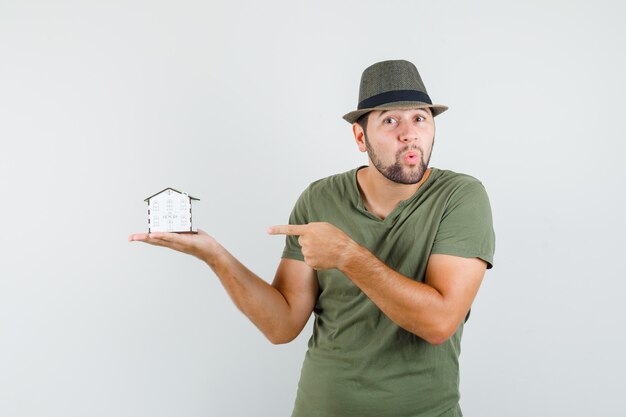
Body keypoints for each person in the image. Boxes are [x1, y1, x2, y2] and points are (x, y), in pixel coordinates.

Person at [129, 59, 495, 417]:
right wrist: (214, 255)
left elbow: (439, 323)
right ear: (359, 136)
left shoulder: (460, 197)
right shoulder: (320, 199)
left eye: (420, 118)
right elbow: (282, 324)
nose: (409, 132)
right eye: (390, 120)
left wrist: (347, 255)